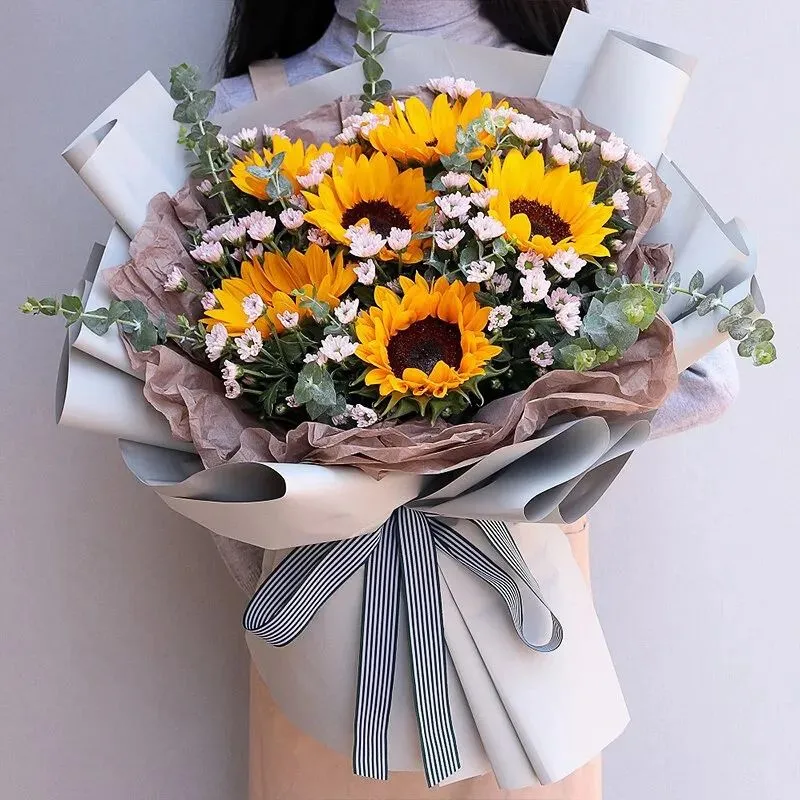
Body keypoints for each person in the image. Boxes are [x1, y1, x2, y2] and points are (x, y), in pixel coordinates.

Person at [211, 2, 740, 798]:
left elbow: (703, 373)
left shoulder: (582, 98)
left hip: (503, 622)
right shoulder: (237, 120)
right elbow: (193, 409)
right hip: (340, 639)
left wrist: (494, 464)